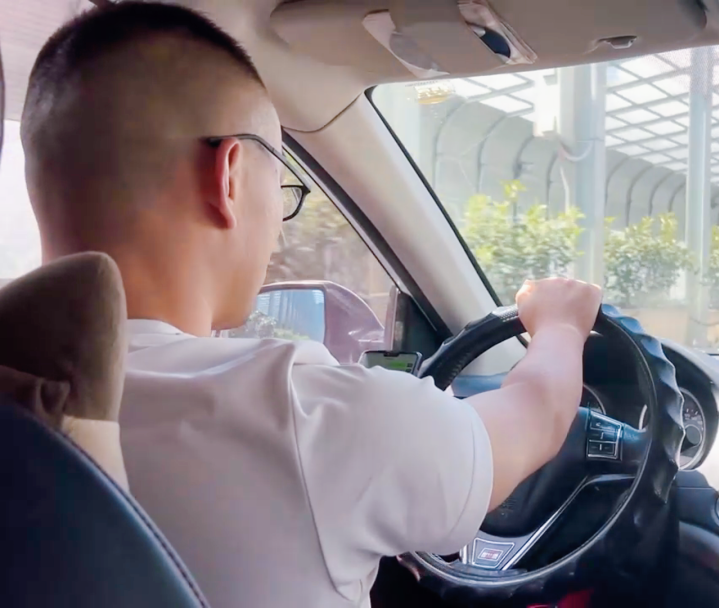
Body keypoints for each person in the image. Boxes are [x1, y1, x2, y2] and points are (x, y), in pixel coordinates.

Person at [21, 3, 601, 608]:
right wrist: (561, 323)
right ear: (229, 176)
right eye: (283, 187)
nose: (278, 228)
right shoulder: (301, 413)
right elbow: (537, 417)